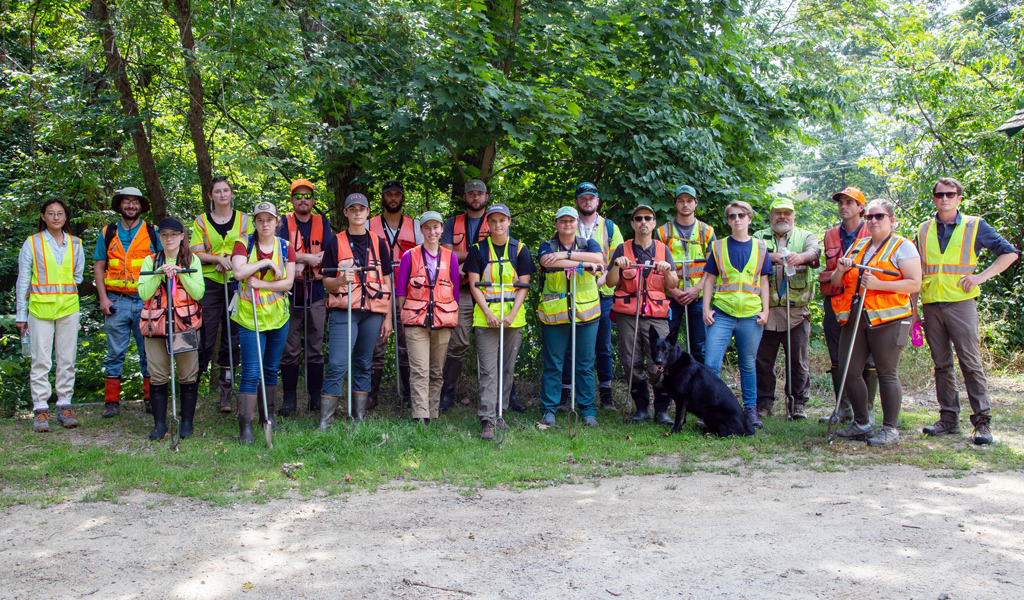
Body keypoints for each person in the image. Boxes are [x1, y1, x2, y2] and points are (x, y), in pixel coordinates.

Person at [915, 177, 1018, 445]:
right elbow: (916, 271)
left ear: (959, 198)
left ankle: (982, 422)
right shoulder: (923, 229)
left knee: (970, 363)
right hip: (931, 304)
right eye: (939, 195)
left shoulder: (975, 225)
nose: (945, 198)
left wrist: (981, 277)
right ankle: (949, 419)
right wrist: (913, 307)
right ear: (934, 198)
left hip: (961, 303)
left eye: (950, 194)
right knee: (941, 365)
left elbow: (1009, 253)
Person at [832, 199, 921, 447]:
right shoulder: (858, 245)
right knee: (849, 370)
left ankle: (890, 428)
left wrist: (879, 285)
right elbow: (838, 281)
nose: (872, 221)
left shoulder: (903, 247)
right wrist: (840, 268)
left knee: (887, 373)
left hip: (889, 320)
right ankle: (862, 424)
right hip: (856, 315)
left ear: (892, 220)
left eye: (879, 216)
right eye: (869, 216)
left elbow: (914, 283)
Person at [319, 193, 394, 428]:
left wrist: (388, 317)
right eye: (353, 209)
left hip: (373, 311)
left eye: (362, 209)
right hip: (344, 310)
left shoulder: (379, 242)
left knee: (363, 362)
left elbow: (387, 280)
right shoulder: (335, 242)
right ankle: (326, 420)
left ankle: (358, 417)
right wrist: (340, 279)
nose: (358, 213)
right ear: (346, 213)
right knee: (338, 363)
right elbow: (325, 281)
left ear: (368, 212)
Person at [465, 204, 534, 441]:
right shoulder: (478, 250)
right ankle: (487, 418)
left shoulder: (520, 250)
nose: (497, 225)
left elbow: (524, 287)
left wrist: (512, 314)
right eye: (493, 221)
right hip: (486, 320)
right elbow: (474, 285)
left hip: (512, 320)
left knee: (507, 369)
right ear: (488, 224)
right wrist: (488, 313)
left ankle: (500, 413)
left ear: (509, 222)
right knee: (488, 369)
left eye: (502, 220)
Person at [16, 198, 85, 432]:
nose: (56, 217)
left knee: (67, 359)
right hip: (39, 309)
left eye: (60, 213)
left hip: (68, 308)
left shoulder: (75, 243)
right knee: (41, 360)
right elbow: (23, 280)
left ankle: (65, 405)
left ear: (66, 217)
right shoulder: (32, 243)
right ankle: (40, 409)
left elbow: (77, 276)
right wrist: (20, 315)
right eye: (51, 213)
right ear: (43, 217)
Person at [606, 205, 678, 424]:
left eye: (648, 218)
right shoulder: (621, 249)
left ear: (654, 223)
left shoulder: (663, 249)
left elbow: (674, 284)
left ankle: (662, 410)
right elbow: (610, 283)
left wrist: (667, 271)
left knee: (662, 359)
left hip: (657, 313)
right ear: (632, 224)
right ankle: (642, 408)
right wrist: (617, 266)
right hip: (628, 313)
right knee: (630, 360)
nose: (643, 222)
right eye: (638, 219)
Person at [231, 202, 296, 444]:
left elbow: (288, 283)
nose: (265, 224)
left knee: (270, 368)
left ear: (277, 222)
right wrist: (266, 264)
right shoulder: (243, 244)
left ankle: (267, 417)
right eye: (260, 220)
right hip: (250, 316)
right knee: (250, 371)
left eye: (270, 219)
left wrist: (260, 283)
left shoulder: (286, 247)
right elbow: (238, 272)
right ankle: (245, 425)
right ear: (254, 223)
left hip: (278, 316)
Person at [702, 200, 771, 429]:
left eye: (741, 215)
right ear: (728, 220)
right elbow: (709, 280)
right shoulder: (719, 246)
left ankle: (750, 410)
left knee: (748, 364)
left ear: (749, 218)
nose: (737, 220)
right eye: (732, 216)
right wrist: (705, 308)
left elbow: (764, 281)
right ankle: (713, 409)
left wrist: (766, 310)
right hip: (722, 312)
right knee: (711, 364)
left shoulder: (761, 247)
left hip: (751, 315)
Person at [94, 186, 160, 418]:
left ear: (141, 206)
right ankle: (111, 402)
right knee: (115, 353)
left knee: (149, 353)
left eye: (135, 202)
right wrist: (103, 298)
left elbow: (163, 266)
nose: (131, 206)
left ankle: (151, 398)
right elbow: (99, 267)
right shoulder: (107, 232)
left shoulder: (154, 232)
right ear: (120, 205)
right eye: (127, 202)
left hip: (146, 302)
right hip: (116, 301)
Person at [753, 198, 820, 419]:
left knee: (798, 363)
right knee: (762, 362)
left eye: (787, 213)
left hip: (797, 312)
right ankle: (764, 403)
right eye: (778, 213)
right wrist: (776, 257)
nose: (783, 217)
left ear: (793, 216)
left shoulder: (806, 236)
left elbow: (815, 253)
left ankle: (797, 403)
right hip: (766, 312)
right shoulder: (757, 238)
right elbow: (751, 255)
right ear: (770, 216)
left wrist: (800, 257)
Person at [190, 176, 253, 413]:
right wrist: (218, 258)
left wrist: (231, 262)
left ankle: (226, 394)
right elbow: (196, 252)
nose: (223, 195)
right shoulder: (201, 221)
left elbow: (251, 246)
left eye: (226, 190)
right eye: (217, 191)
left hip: (237, 284)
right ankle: (192, 391)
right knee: (204, 335)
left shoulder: (245, 219)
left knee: (233, 336)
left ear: (232, 193)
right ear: (210, 196)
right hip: (210, 284)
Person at [138, 218, 205, 440]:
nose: (169, 239)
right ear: (160, 237)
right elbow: (144, 294)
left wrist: (180, 272)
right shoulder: (150, 261)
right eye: (165, 235)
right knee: (157, 374)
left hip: (183, 327)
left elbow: (198, 293)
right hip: (156, 326)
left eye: (174, 235)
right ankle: (159, 424)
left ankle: (186, 422)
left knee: (187, 374)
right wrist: (159, 273)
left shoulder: (191, 259)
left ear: (182, 236)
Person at [538, 207, 605, 427]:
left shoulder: (589, 243)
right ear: (556, 224)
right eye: (563, 221)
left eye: (571, 221)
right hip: (554, 315)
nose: (567, 224)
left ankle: (588, 411)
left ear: (577, 223)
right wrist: (584, 264)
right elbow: (548, 262)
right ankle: (549, 410)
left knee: (585, 364)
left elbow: (599, 257)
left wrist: (566, 255)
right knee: (553, 364)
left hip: (586, 314)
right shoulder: (547, 246)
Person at [818, 187, 877, 426]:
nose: (844, 206)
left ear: (861, 208)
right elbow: (829, 271)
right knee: (837, 357)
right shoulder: (830, 234)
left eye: (850, 202)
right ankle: (842, 409)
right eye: (841, 202)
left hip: (865, 302)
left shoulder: (873, 230)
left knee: (868, 359)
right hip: (835, 303)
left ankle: (867, 411)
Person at [395, 211, 459, 423]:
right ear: (421, 230)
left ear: (441, 229)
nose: (432, 232)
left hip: (442, 321)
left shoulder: (451, 257)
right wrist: (405, 318)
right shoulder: (409, 256)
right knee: (419, 370)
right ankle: (420, 415)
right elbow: (400, 291)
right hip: (416, 321)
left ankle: (433, 413)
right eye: (427, 227)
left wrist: (450, 316)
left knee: (436, 371)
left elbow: (455, 292)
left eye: (436, 227)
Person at [277, 179, 333, 416]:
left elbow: (329, 254)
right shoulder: (282, 222)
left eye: (307, 196)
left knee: (315, 345)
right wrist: (306, 258)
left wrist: (297, 257)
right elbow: (277, 250)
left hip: (317, 291)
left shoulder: (322, 222)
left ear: (312, 199)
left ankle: (315, 397)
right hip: (289, 292)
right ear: (292, 199)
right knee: (289, 347)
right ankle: (289, 398)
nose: (303, 200)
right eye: (298, 195)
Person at [367, 180, 422, 410]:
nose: (392, 198)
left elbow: (422, 258)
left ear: (402, 198)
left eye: (396, 194)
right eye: (388, 194)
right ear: (382, 198)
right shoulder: (369, 224)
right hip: (377, 290)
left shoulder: (415, 225)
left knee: (407, 342)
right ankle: (372, 394)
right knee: (377, 342)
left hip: (406, 292)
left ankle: (410, 393)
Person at [569, 182, 624, 409]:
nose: (588, 201)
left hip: (603, 294)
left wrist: (603, 278)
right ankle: (568, 392)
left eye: (592, 197)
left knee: (603, 346)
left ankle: (606, 393)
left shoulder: (610, 227)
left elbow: (618, 256)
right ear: (577, 202)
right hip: (575, 293)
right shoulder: (569, 223)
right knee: (573, 345)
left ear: (598, 201)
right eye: (583, 198)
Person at [438, 179, 491, 413]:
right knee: (458, 342)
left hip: (490, 289)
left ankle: (501, 396)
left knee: (492, 343)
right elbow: (446, 253)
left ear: (486, 197)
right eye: (471, 194)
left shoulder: (497, 219)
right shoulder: (452, 222)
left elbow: (500, 251)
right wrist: (476, 255)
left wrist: (466, 258)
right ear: (465, 197)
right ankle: (447, 394)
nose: (476, 197)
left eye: (480, 194)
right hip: (461, 291)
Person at [655, 184, 715, 364]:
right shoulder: (662, 232)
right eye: (680, 201)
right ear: (675, 204)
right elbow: (657, 268)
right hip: (671, 297)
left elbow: (712, 265)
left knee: (700, 346)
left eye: (689, 200)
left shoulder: (707, 231)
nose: (685, 204)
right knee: (666, 345)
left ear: (696, 203)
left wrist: (697, 289)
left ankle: (701, 386)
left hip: (698, 297)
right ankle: (671, 387)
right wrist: (674, 292)